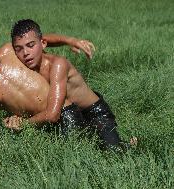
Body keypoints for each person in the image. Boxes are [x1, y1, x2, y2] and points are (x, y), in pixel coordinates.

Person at [0, 26, 94, 142]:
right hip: (40, 127)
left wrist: (71, 41)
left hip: (68, 114)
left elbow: (36, 40)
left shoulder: (9, 51)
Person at [9, 19, 136, 150]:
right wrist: (69, 41)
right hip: (68, 113)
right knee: (74, 149)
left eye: (30, 45)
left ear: (43, 44)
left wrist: (24, 123)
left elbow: (52, 115)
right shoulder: (26, 63)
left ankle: (130, 145)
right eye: (19, 49)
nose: (25, 53)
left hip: (94, 113)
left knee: (113, 152)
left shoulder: (58, 65)